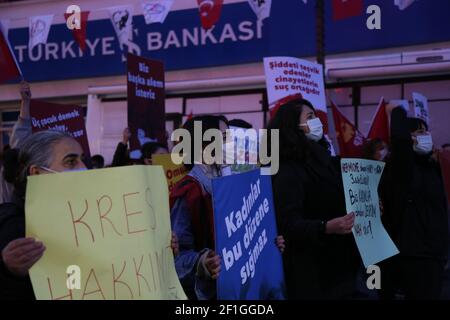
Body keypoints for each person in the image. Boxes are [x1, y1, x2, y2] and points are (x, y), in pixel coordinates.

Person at [269, 98, 358, 299]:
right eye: (310, 117)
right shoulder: (287, 170)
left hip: (342, 267)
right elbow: (288, 224)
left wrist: (366, 203)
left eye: (316, 116)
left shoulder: (328, 161)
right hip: (312, 273)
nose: (317, 121)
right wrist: (324, 227)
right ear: (293, 126)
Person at [379, 107, 449, 300]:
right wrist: (397, 111)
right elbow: (400, 143)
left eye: (426, 131)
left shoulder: (434, 167)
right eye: (419, 132)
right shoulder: (401, 167)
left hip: (436, 252)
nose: (426, 135)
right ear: (407, 137)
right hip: (412, 254)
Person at [169, 115, 226, 300]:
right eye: (224, 138)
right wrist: (202, 262)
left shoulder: (234, 184)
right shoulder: (189, 192)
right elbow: (177, 258)